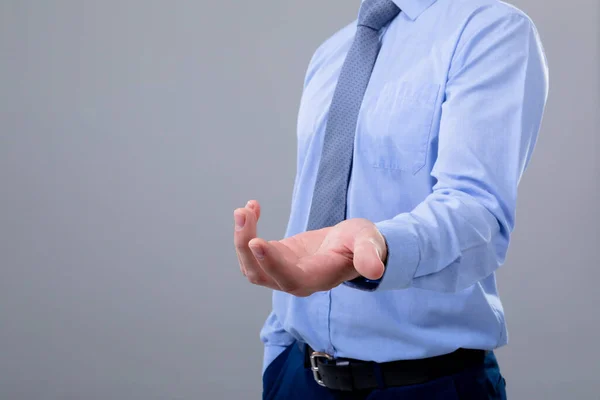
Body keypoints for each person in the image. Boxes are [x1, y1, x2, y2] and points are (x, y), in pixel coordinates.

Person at [233, 0, 548, 398]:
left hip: (425, 385)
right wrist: (278, 352)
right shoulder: (332, 52)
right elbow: (309, 206)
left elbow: (476, 210)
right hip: (299, 376)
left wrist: (381, 246)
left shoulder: (489, 30)